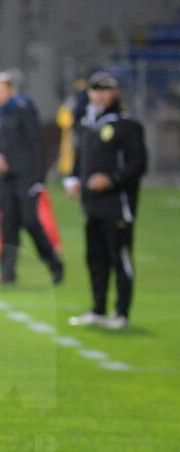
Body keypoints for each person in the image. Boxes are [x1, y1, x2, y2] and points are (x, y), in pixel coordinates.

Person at [65, 72, 148, 330]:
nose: (99, 95)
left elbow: (138, 165)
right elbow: (82, 158)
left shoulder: (126, 125)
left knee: (119, 258)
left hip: (117, 205)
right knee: (95, 258)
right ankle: (98, 309)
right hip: (92, 206)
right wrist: (74, 179)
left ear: (115, 93)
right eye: (94, 90)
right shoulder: (88, 123)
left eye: (105, 90)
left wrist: (110, 180)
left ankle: (122, 313)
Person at [0, 71, 64, 285]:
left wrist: (38, 178)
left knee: (31, 222)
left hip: (25, 176)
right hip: (6, 178)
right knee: (8, 224)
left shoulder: (24, 111)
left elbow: (36, 145)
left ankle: (53, 264)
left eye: (1, 90)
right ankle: (7, 271)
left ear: (11, 91)